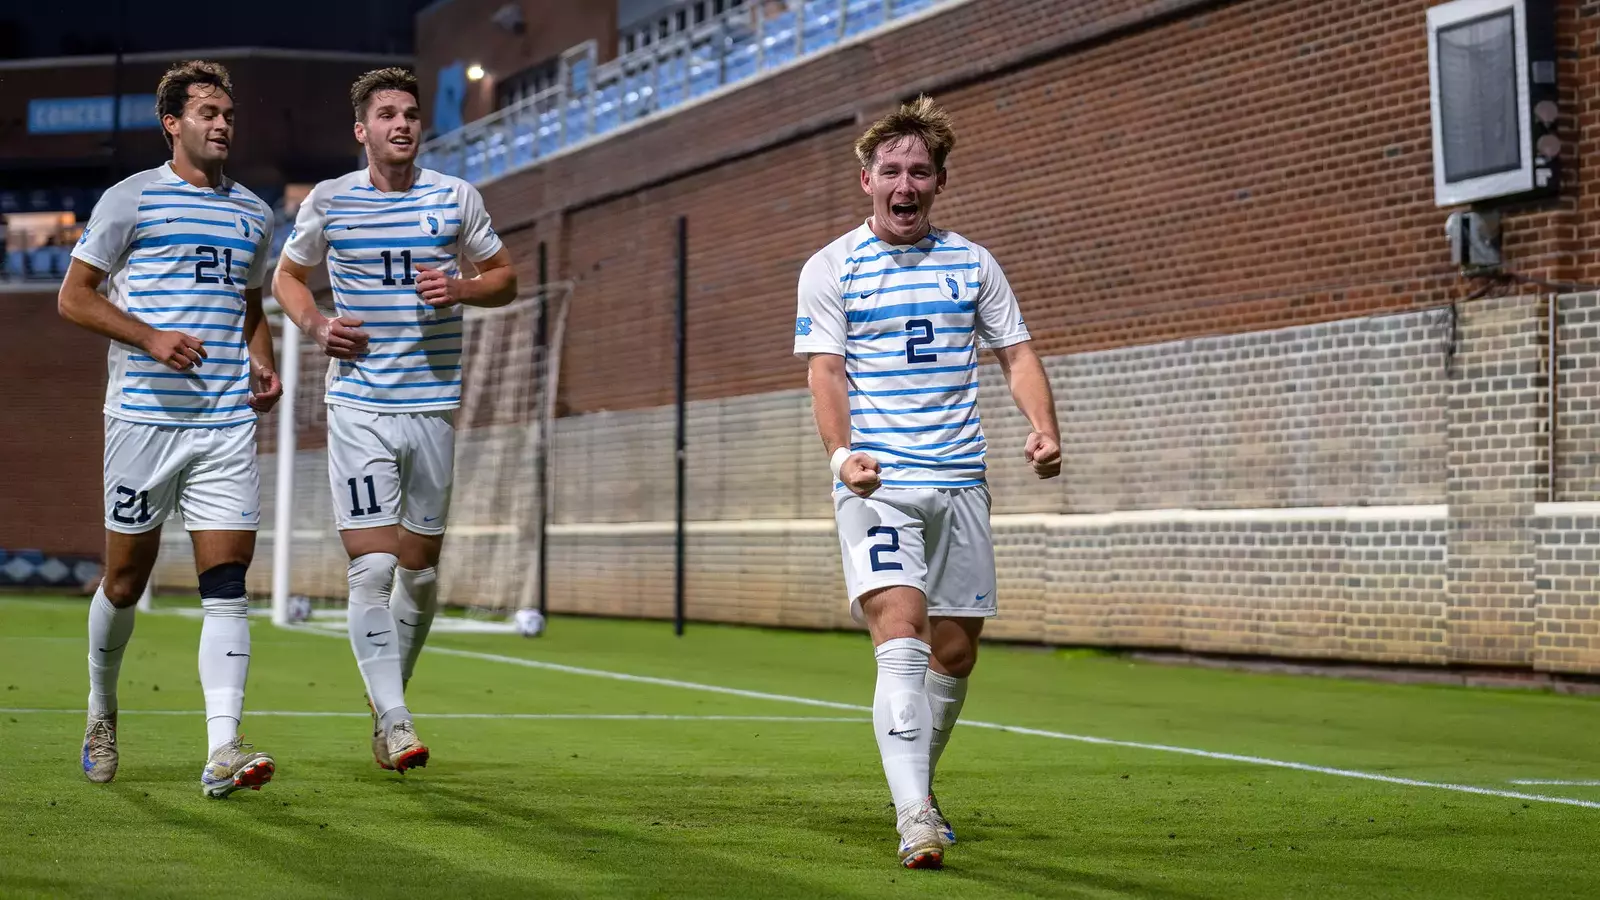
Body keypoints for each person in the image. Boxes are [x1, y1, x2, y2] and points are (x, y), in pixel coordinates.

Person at [793, 95, 1062, 868]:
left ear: (938, 182)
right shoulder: (832, 265)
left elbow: (1016, 353)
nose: (903, 183)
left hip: (962, 483)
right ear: (868, 181)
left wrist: (1045, 429)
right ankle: (914, 815)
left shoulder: (974, 264)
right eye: (890, 170)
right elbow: (826, 370)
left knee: (955, 653)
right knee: (902, 637)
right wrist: (842, 455)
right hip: (878, 482)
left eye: (918, 171)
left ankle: (919, 786)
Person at [273, 67, 517, 773]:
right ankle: (398, 718)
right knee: (373, 564)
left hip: (434, 406)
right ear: (363, 130)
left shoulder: (455, 199)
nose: (402, 123)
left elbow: (506, 278)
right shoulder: (330, 201)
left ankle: (387, 700)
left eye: (410, 113)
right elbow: (286, 277)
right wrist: (317, 325)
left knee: (421, 569)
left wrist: (463, 287)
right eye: (386, 114)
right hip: (358, 405)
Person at [58, 60, 282, 798]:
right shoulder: (130, 200)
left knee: (227, 581)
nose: (222, 123)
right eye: (208, 112)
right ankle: (100, 706)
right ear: (173, 123)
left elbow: (251, 306)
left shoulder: (254, 213)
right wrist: (151, 336)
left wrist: (261, 358)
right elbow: (74, 299)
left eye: (228, 113)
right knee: (124, 582)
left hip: (222, 424)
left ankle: (223, 749)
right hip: (143, 423)